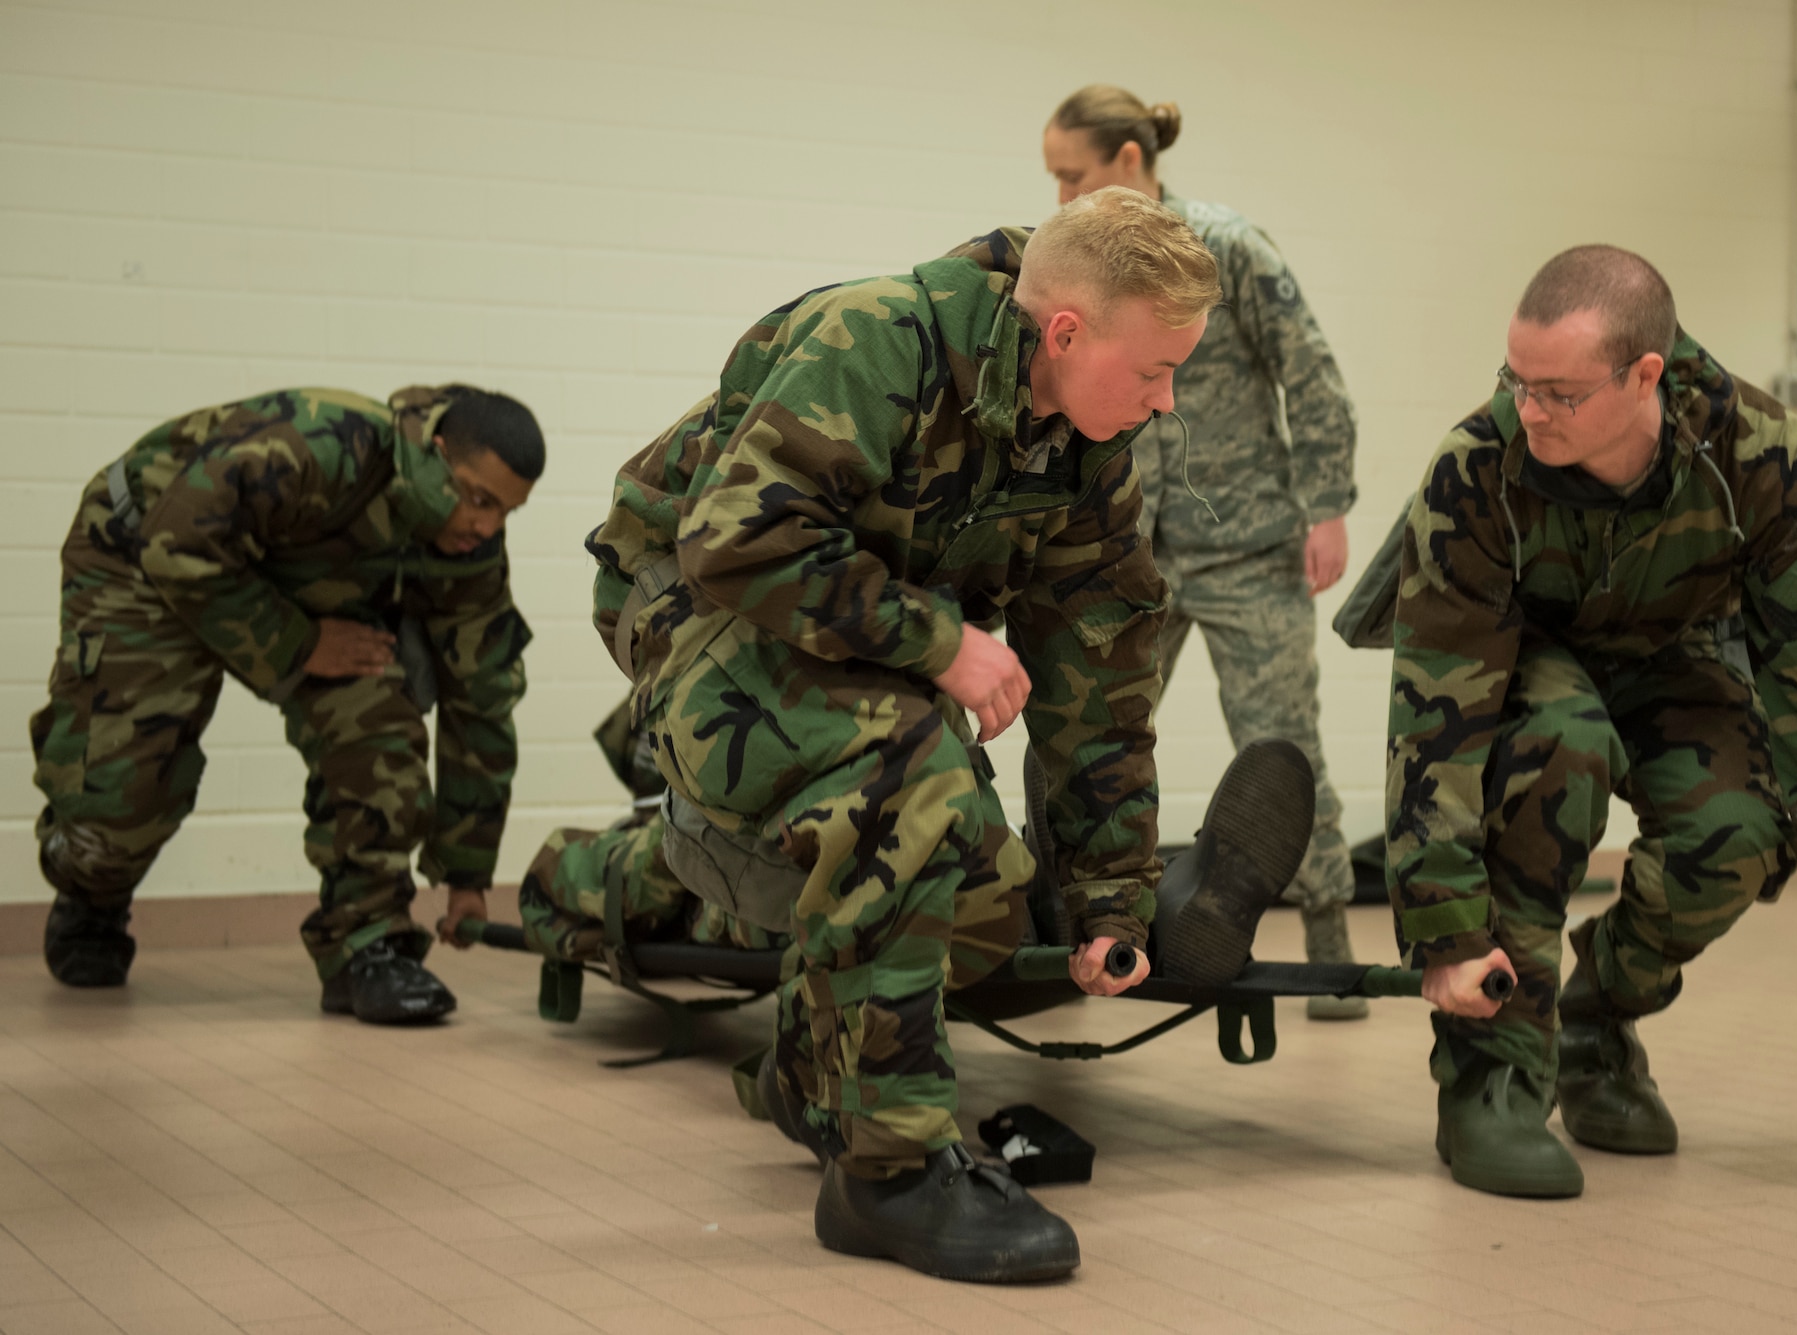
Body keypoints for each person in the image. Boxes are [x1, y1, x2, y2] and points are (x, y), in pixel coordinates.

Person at [586, 189, 1311, 1283]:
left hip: (854, 628)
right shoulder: (874, 340)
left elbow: (1101, 675)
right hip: (694, 604)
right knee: (910, 770)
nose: (1166, 406)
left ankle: (814, 1072)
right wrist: (939, 645)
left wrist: (1107, 902)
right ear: (1063, 333)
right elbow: (736, 540)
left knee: (980, 895)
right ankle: (887, 1174)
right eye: (1155, 372)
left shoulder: (1084, 442)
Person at [1387, 245, 1797, 1199]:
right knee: (1563, 745)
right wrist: (1446, 932)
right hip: (1526, 657)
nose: (1528, 408)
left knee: (1741, 834)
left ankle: (1592, 1013)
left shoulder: (1760, 460)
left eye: (1558, 391)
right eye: (1517, 379)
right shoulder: (1481, 467)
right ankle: (1493, 1072)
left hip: (1676, 655)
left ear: (1646, 376)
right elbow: (1437, 717)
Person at [31, 384, 542, 1024]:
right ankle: (90, 895)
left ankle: (369, 944)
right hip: (145, 553)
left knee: (379, 730)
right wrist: (297, 644)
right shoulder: (326, 444)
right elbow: (178, 543)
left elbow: (483, 698)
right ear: (436, 455)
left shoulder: (470, 548)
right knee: (121, 799)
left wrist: (468, 872)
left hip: (305, 588)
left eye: (506, 513)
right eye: (478, 499)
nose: (486, 526)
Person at [1041, 86, 1368, 1018]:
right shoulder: (1086, 271)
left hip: (1246, 543)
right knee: (1099, 733)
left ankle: (1333, 933)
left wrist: (1328, 506)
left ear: (1131, 162)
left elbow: (1312, 376)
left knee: (1281, 745)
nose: (1063, 196)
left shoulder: (1226, 249)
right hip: (1130, 546)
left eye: (1076, 174)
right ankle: (1087, 931)